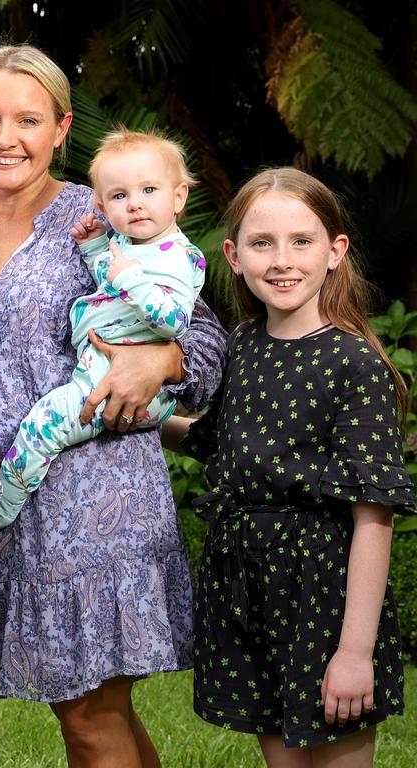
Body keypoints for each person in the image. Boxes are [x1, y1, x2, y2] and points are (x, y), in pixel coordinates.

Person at [0, 44, 227, 767]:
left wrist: (164, 361)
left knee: (88, 714)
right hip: (8, 487)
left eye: (27, 119)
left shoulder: (99, 211)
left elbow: (199, 327)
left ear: (60, 128)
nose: (4, 137)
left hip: (97, 490)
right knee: (91, 711)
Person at [162, 167, 413, 767]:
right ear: (233, 255)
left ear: (335, 251)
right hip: (247, 589)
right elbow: (213, 440)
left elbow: (373, 520)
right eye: (261, 243)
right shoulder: (243, 345)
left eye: (302, 241)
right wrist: (124, 420)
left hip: (323, 594)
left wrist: (354, 650)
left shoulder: (354, 365)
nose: (282, 260)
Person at [0, 127, 207, 529]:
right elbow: (112, 285)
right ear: (102, 205)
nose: (136, 205)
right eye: (120, 196)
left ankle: (0, 507)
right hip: (103, 376)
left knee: (43, 425)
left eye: (149, 191)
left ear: (179, 196)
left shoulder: (176, 256)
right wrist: (95, 248)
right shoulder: (130, 246)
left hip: (118, 386)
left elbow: (175, 320)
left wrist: (131, 281)